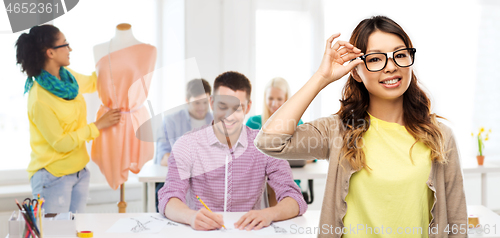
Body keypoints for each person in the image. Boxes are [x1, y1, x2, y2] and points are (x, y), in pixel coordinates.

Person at [255, 16, 467, 238]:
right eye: (376, 59)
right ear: (356, 71)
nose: (391, 67)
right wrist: (321, 78)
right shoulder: (338, 131)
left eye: (400, 55)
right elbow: (270, 142)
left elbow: (457, 222)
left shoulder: (440, 136)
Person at [158, 71, 307, 231]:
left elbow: (295, 198)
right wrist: (190, 216)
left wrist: (269, 214)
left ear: (248, 107)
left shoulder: (265, 145)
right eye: (223, 106)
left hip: (249, 233)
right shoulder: (187, 144)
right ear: (212, 102)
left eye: (237, 108)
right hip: (202, 232)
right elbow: (168, 198)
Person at [16, 25, 121, 213]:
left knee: (74, 232)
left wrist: (115, 59)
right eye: (65, 44)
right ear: (50, 52)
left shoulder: (68, 78)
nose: (70, 49)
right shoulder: (39, 99)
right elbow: (61, 143)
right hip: (52, 176)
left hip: (79, 172)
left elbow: (93, 82)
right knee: (55, 233)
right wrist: (97, 126)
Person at [154, 78, 213, 211]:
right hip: (176, 181)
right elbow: (163, 158)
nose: (202, 108)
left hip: (206, 183)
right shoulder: (171, 121)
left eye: (205, 102)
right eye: (197, 103)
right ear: (187, 100)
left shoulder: (217, 121)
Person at [246, 77, 306, 206]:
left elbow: (310, 155)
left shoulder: (297, 123)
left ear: (286, 99)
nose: (274, 103)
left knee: (277, 180)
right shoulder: (253, 122)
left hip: (288, 178)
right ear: (265, 98)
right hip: (258, 182)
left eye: (279, 99)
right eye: (270, 98)